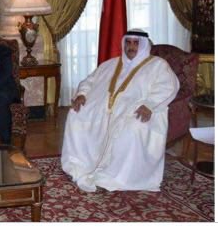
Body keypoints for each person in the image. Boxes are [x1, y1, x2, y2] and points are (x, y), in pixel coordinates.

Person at [61, 29, 180, 192]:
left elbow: (169, 86)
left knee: (132, 129)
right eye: (128, 42)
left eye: (136, 43)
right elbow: (89, 81)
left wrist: (150, 105)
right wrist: (82, 94)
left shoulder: (158, 65)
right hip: (103, 111)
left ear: (144, 45)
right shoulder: (111, 64)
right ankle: (78, 163)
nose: (131, 47)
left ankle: (119, 176)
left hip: (139, 111)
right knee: (76, 114)